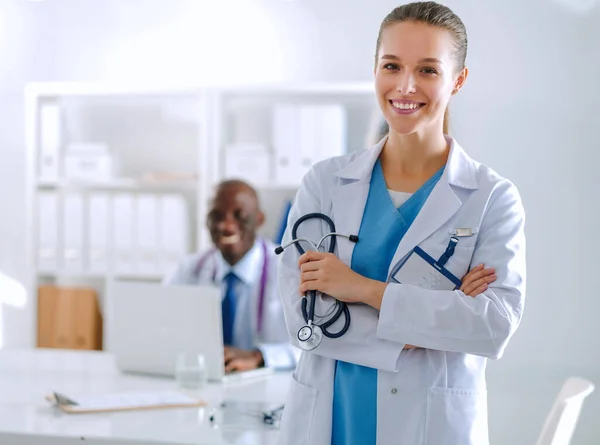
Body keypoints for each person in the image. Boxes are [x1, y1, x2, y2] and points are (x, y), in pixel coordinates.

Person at [276, 2, 526, 445]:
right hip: (333, 419)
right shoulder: (325, 183)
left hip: (430, 425)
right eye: (391, 66)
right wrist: (426, 324)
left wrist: (362, 290)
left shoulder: (491, 198)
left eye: (428, 70)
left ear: (459, 80)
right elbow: (303, 321)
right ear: (375, 69)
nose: (405, 86)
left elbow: (491, 326)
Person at [164, 180, 296, 372]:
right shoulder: (188, 269)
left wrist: (260, 356)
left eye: (239, 216)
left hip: (269, 386)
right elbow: (161, 330)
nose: (226, 226)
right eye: (216, 216)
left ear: (259, 220)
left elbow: (316, 346)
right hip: (203, 379)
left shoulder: (290, 269)